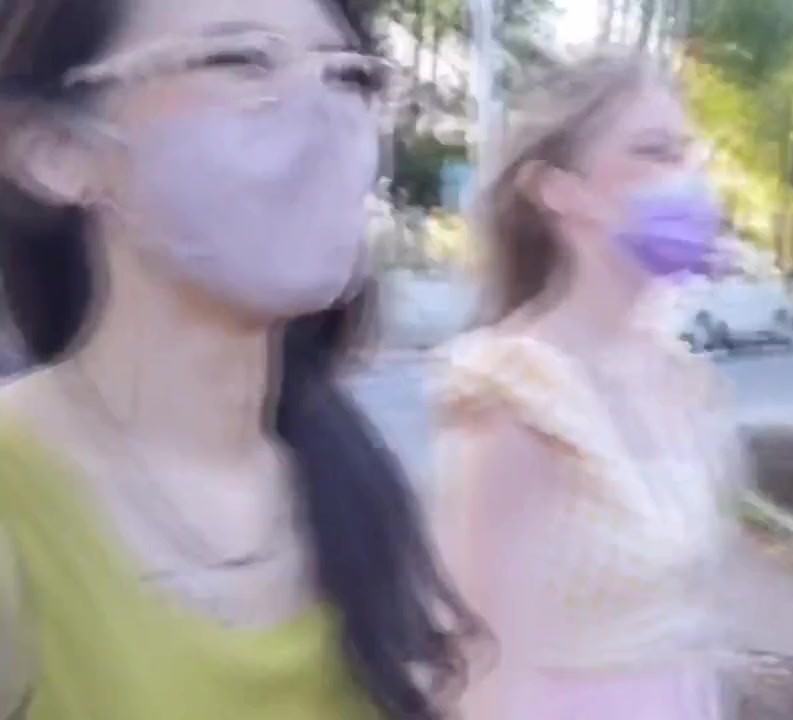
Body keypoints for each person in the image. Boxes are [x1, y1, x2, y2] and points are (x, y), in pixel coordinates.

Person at [0, 1, 476, 718]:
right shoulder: (20, 500)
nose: (322, 114)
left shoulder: (350, 482)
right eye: (242, 60)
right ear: (56, 153)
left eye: (347, 76)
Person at [430, 53, 747, 720]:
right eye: (654, 152)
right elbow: (479, 666)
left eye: (687, 153)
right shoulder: (513, 395)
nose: (687, 179)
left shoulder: (682, 379)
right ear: (559, 191)